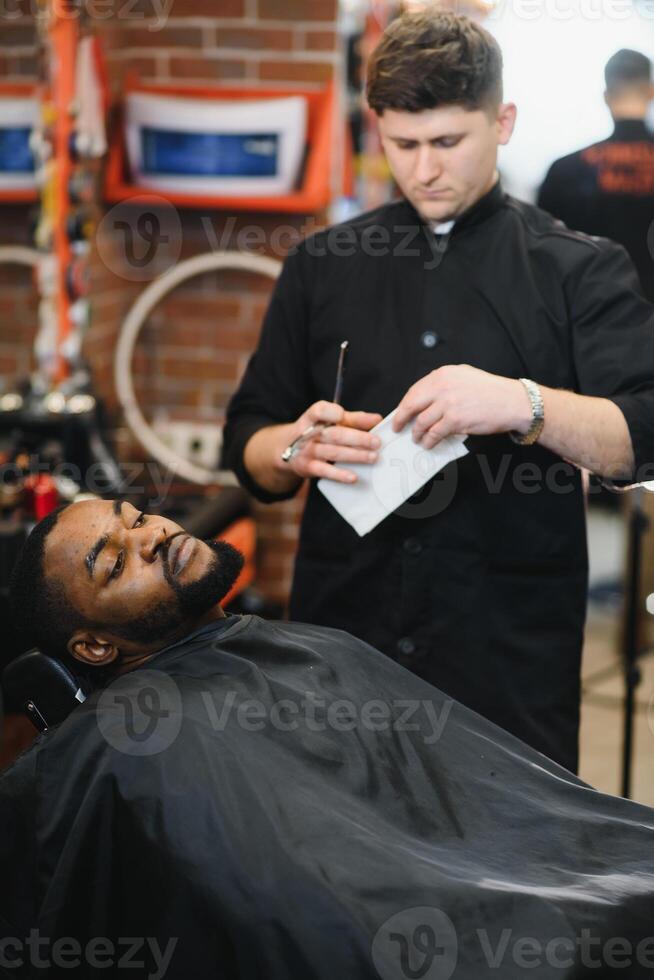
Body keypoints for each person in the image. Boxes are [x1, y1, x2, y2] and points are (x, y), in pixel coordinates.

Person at [221, 11, 654, 774]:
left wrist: (528, 404)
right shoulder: (322, 266)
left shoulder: (580, 269)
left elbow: (642, 435)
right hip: (342, 647)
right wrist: (296, 445)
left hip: (506, 659)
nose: (424, 170)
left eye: (448, 142)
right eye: (403, 144)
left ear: (503, 121)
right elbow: (248, 448)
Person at [3, 498, 654, 979]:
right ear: (93, 645)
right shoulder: (134, 749)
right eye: (114, 561)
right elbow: (318, 921)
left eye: (136, 516)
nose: (149, 535)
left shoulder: (307, 648)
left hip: (552, 882)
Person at [538, 49, 654, 301]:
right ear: (651, 92)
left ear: (606, 97)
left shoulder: (565, 171)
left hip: (594, 313)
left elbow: (544, 256)